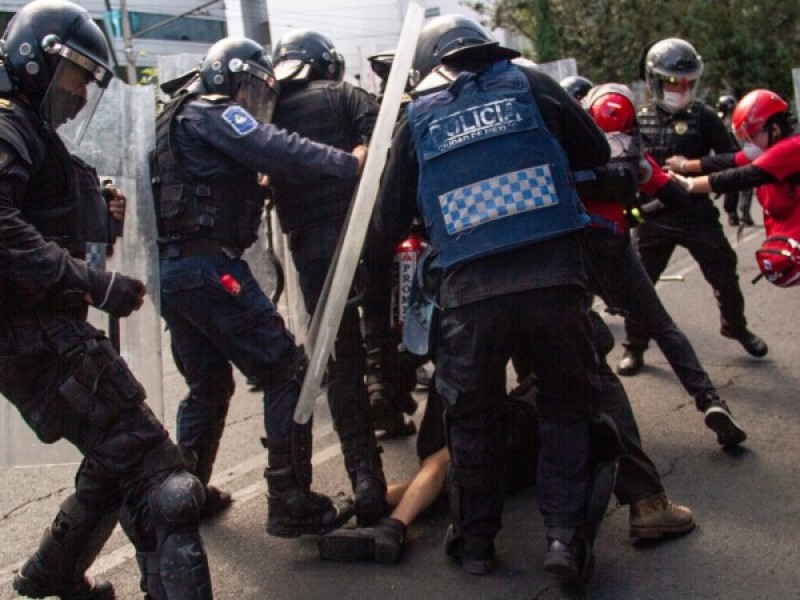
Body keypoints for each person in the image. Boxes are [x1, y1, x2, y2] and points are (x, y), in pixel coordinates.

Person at [360, 14, 612, 585]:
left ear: (429, 69)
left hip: (470, 298)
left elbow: (388, 222)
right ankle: (563, 541)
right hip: (555, 281)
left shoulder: (417, 118)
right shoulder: (535, 84)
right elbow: (593, 147)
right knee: (565, 409)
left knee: (471, 421)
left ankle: (476, 544)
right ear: (487, 51)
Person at [0, 1, 214, 598]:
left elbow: (50, 231)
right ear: (37, 59)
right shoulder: (9, 123)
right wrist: (95, 285)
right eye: (76, 75)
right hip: (43, 340)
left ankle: (52, 572)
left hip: (41, 339)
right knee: (168, 484)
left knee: (116, 457)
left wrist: (102, 216)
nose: (78, 94)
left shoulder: (33, 132)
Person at [152, 36, 365, 538]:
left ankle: (187, 496)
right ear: (229, 78)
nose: (252, 103)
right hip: (209, 268)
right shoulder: (213, 110)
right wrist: (349, 163)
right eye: (250, 88)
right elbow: (278, 148)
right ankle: (290, 499)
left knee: (209, 384)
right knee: (285, 371)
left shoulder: (171, 118)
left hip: (172, 272)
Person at [317, 307, 696, 565]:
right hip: (523, 442)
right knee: (443, 474)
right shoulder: (567, 354)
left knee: (443, 463)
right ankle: (360, 509)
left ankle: (390, 523)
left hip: (506, 421)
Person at [578, 84, 746, 447]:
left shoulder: (566, 153)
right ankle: (709, 400)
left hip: (576, 256)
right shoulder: (637, 158)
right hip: (618, 248)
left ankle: (587, 420)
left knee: (570, 333)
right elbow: (677, 197)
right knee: (664, 327)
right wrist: (635, 214)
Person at [267, 28, 388, 526]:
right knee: (409, 333)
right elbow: (389, 129)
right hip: (373, 236)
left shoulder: (268, 112)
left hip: (311, 250)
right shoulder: (343, 93)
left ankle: (366, 478)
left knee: (340, 359)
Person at [618, 37, 767, 377]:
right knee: (638, 283)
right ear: (655, 80)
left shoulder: (705, 118)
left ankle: (735, 326)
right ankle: (634, 347)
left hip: (696, 212)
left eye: (687, 82)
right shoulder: (637, 119)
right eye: (673, 81)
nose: (680, 88)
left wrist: (694, 165)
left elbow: (734, 159)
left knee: (725, 272)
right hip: (652, 215)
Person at [670, 89, 800, 287]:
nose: (749, 143)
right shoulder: (774, 146)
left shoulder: (791, 148)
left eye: (751, 136)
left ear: (774, 130)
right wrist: (685, 166)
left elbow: (742, 176)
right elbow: (730, 161)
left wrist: (690, 185)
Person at [716, 94, 754, 227]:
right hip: (739, 157)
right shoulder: (738, 122)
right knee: (745, 186)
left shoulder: (718, 122)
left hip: (727, 160)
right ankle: (743, 212)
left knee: (731, 186)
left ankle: (733, 214)